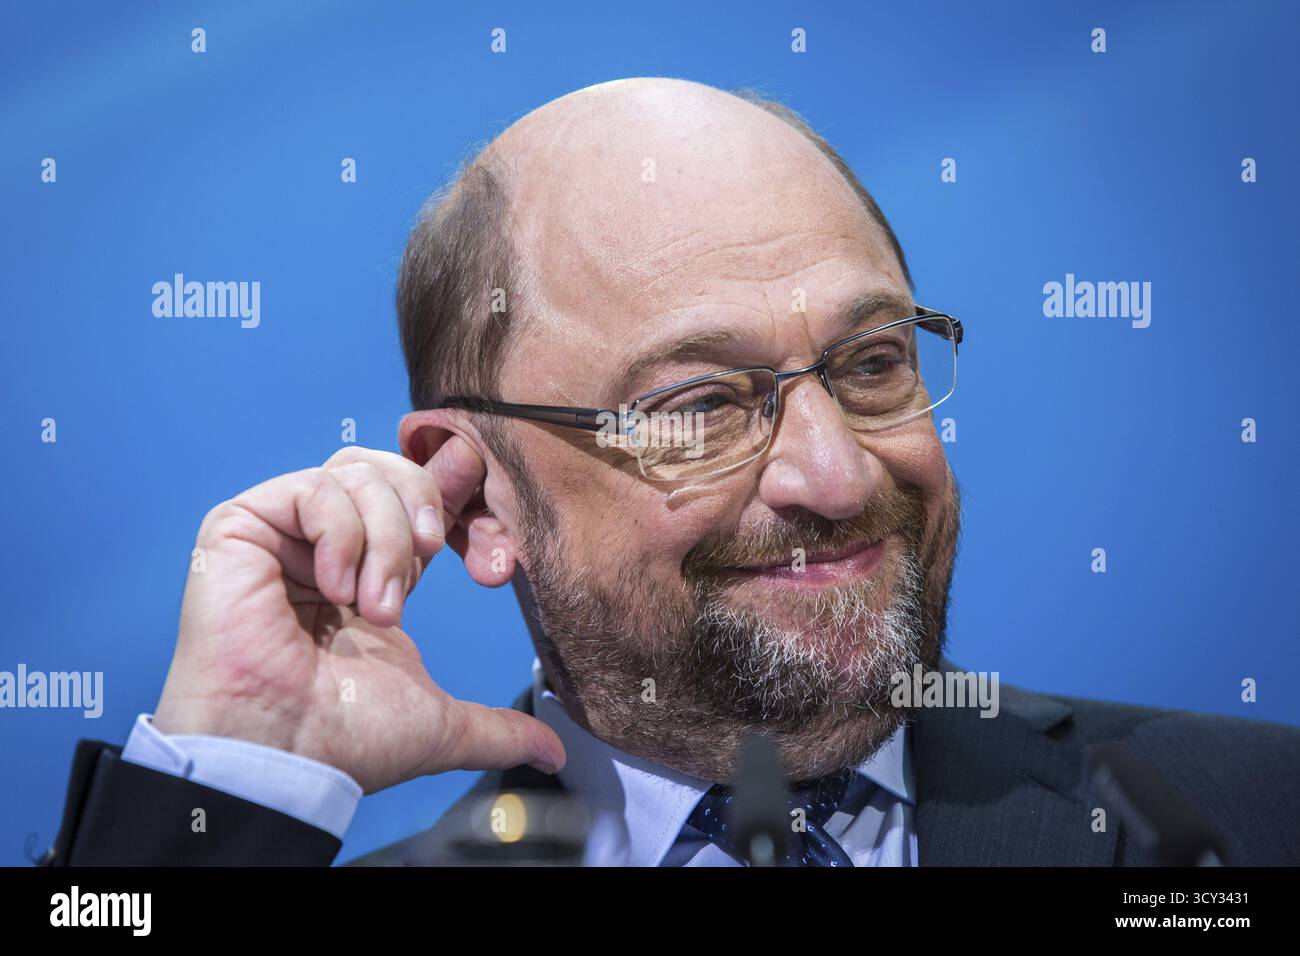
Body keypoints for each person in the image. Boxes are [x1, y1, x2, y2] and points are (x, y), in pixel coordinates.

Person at [39, 77, 1300, 867]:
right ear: (477, 499)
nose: (835, 474)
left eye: (869, 362)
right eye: (695, 405)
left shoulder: (1244, 815)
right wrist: (233, 778)